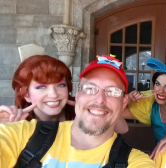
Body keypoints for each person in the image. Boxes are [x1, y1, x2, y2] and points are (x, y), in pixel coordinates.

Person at [0, 55, 155, 167]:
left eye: (112, 91)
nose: (99, 99)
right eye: (90, 89)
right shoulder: (21, 131)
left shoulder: (133, 161)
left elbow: (119, 126)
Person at [0, 55, 128, 134]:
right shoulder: (18, 122)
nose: (53, 94)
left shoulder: (76, 108)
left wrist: (90, 108)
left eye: (61, 85)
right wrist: (4, 128)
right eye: (41, 87)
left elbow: (123, 129)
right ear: (25, 94)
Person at [122, 58, 166, 142]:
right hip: (161, 155)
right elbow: (115, 113)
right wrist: (128, 99)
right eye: (157, 84)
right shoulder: (150, 108)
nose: (160, 91)